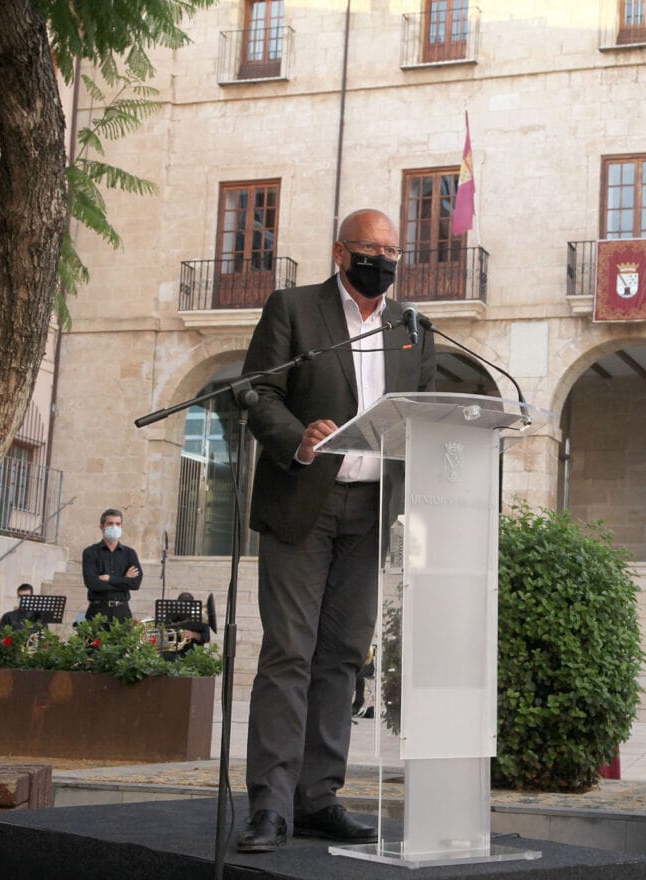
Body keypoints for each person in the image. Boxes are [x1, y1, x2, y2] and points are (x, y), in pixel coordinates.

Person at [236, 208, 436, 853]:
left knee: (344, 657)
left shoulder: (412, 329)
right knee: (289, 652)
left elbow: (425, 413)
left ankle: (318, 797)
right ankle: (270, 804)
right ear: (340, 252)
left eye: (391, 250)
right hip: (304, 500)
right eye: (369, 247)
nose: (381, 258)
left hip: (372, 508)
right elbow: (257, 391)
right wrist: (299, 439)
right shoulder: (294, 309)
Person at [81, 508, 142, 622]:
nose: (114, 527)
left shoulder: (130, 553)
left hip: (122, 611)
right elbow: (92, 583)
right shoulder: (90, 552)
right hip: (98, 611)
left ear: (121, 527)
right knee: (94, 640)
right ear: (101, 526)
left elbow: (135, 583)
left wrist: (109, 578)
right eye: (110, 523)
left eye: (118, 524)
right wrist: (124, 580)